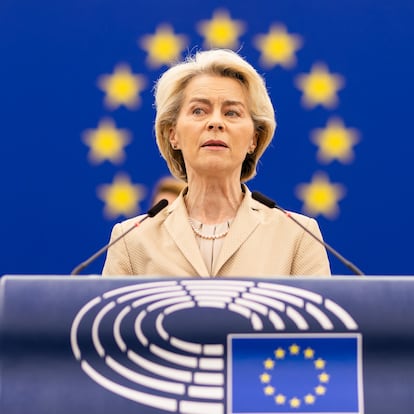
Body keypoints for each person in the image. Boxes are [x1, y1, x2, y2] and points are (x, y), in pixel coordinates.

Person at [102, 49, 331, 277]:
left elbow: (316, 314)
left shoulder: (297, 236)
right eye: (199, 110)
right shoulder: (132, 239)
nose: (215, 122)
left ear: (254, 138)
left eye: (232, 113)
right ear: (173, 134)